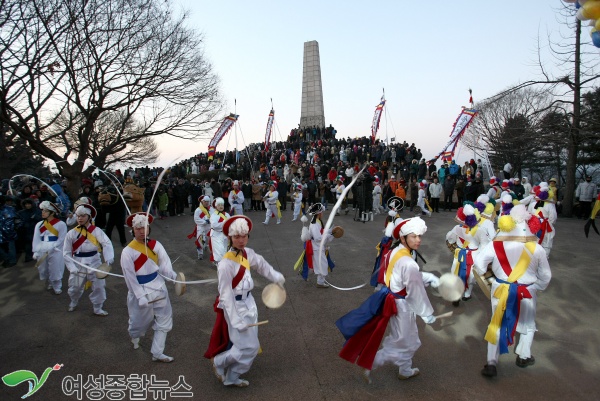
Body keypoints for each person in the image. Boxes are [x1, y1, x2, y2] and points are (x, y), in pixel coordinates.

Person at [336, 217, 437, 383]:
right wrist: (426, 313)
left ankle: (405, 369)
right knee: (406, 340)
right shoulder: (409, 263)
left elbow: (403, 276)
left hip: (391, 297)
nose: (418, 240)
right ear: (403, 238)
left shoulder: (395, 251)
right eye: (414, 236)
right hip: (403, 304)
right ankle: (374, 362)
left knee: (405, 338)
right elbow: (415, 290)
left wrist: (427, 277)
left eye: (419, 236)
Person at [205, 215, 285, 387]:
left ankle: (232, 377)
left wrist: (276, 277)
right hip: (235, 306)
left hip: (250, 304)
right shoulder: (226, 264)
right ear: (230, 238)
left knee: (247, 346)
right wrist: (235, 319)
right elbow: (225, 295)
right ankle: (219, 361)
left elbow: (261, 264)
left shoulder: (248, 253)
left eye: (244, 236)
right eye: (237, 237)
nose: (241, 240)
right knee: (248, 348)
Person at [474, 205, 551, 378]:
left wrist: (493, 280)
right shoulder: (537, 249)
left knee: (496, 324)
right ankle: (523, 356)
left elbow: (479, 265)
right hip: (527, 292)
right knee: (528, 323)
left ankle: (491, 363)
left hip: (501, 289)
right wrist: (535, 287)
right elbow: (546, 276)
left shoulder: (495, 245)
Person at [121, 212, 179, 363]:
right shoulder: (127, 251)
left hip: (159, 286)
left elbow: (165, 265)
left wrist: (173, 276)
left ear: (148, 228)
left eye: (144, 227)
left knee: (164, 320)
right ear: (133, 230)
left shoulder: (156, 245)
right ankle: (134, 336)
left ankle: (157, 352)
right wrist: (139, 296)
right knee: (138, 322)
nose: (141, 231)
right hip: (140, 290)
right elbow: (130, 277)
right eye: (138, 228)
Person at [63, 204, 114, 315]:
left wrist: (108, 260)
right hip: (77, 262)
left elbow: (107, 244)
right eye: (78, 216)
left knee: (99, 287)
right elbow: (66, 253)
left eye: (83, 216)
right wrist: (71, 267)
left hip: (95, 261)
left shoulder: (97, 231)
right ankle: (73, 301)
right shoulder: (71, 233)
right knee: (75, 287)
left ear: (89, 217)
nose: (80, 218)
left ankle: (97, 307)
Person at [445, 203, 494, 305]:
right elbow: (485, 244)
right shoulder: (480, 230)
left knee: (456, 272)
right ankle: (467, 294)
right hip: (473, 254)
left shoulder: (456, 228)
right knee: (470, 275)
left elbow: (450, 239)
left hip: (459, 254)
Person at [31, 201, 67, 293]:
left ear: (52, 212)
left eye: (45, 211)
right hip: (42, 247)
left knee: (55, 268)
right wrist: (36, 250)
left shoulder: (61, 224)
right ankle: (50, 282)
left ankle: (57, 285)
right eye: (42, 210)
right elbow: (36, 238)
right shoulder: (39, 224)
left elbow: (62, 238)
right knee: (44, 268)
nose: (43, 213)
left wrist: (54, 246)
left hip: (56, 249)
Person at [297, 203, 335, 287]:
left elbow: (321, 232)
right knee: (322, 264)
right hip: (316, 247)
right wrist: (329, 235)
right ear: (319, 213)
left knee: (321, 264)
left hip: (318, 246)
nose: (322, 214)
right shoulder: (314, 224)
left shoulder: (317, 222)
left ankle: (320, 281)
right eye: (321, 212)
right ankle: (319, 282)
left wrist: (329, 231)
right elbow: (318, 238)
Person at [210, 197, 230, 265]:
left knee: (225, 251)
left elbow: (230, 223)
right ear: (216, 206)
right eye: (219, 205)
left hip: (225, 235)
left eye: (222, 205)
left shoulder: (227, 214)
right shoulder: (214, 215)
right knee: (219, 253)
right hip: (216, 235)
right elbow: (214, 226)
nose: (221, 206)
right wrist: (225, 223)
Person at [191, 196, 212, 260]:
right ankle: (200, 253)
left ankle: (208, 248)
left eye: (208, 201)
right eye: (205, 201)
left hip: (209, 227)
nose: (206, 203)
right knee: (200, 240)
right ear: (202, 201)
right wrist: (205, 222)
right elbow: (196, 219)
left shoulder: (211, 209)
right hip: (201, 227)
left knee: (210, 239)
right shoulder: (198, 210)